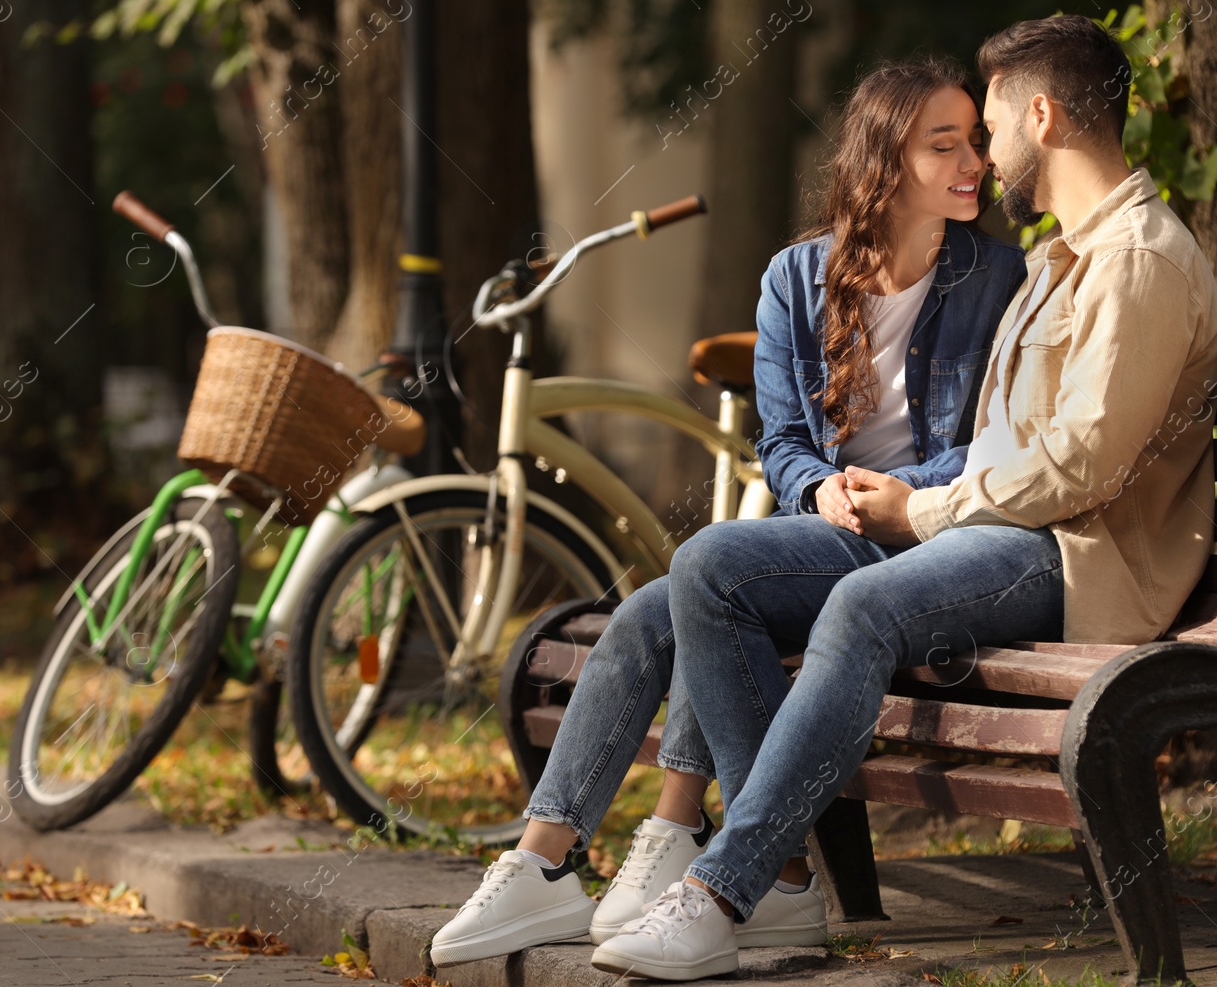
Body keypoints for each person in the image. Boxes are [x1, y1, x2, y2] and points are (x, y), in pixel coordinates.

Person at [586, 15, 1217, 981]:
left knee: (859, 603)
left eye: (996, 126)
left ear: (1044, 116)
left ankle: (724, 889)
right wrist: (904, 506)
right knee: (712, 571)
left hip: (1076, 554)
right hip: (1003, 529)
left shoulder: (1133, 259)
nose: (987, 152)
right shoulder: (1065, 256)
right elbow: (1011, 447)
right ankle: (775, 878)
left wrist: (918, 510)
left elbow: (1083, 466)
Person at [429, 56, 1026, 969]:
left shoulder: (997, 273)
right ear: (883, 160)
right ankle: (548, 856)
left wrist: (905, 495)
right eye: (943, 144)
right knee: (658, 604)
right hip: (824, 529)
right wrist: (818, 488)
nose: (973, 161)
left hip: (925, 537)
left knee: (703, 571)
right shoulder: (795, 278)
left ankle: (739, 867)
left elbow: (996, 434)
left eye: (975, 141)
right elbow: (779, 437)